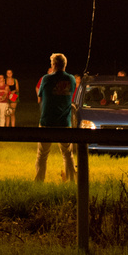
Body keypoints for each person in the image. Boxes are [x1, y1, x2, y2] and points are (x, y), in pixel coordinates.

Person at [33, 53, 76, 182]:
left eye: (51, 64)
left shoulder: (46, 79)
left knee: (42, 155)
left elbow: (40, 94)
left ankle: (39, 181)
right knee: (67, 153)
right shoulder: (71, 79)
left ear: (54, 65)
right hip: (64, 122)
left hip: (47, 121)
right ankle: (71, 180)